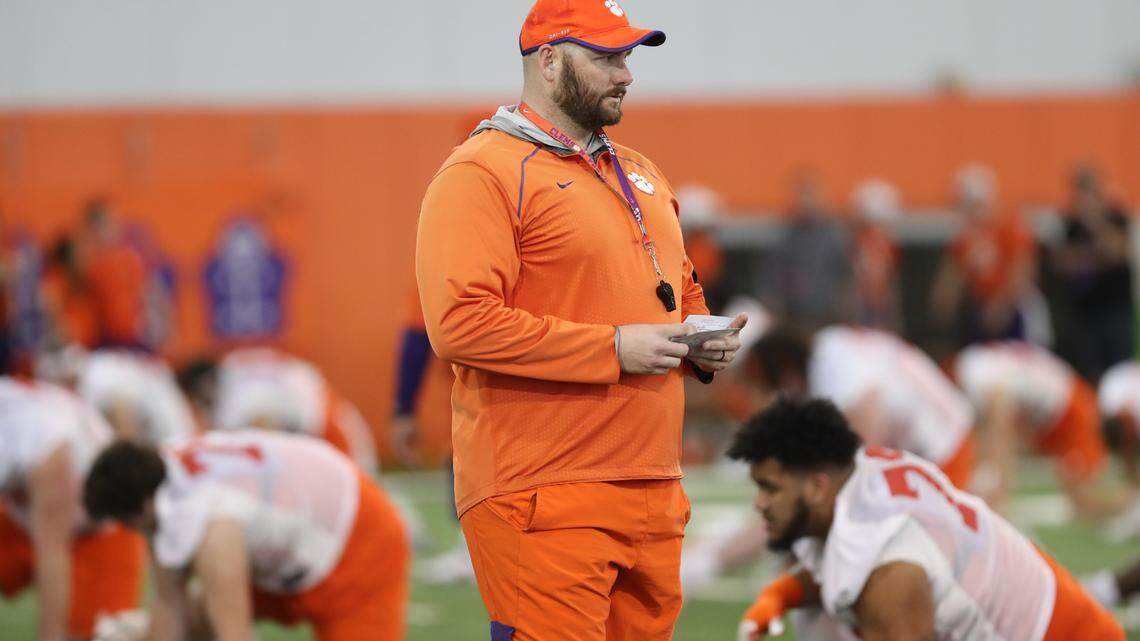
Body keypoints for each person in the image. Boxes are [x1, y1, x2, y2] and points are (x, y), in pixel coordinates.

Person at [415, 1, 746, 638]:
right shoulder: (481, 172)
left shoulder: (641, 172)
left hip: (653, 487)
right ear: (548, 61)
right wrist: (613, 348)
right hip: (543, 489)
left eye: (627, 57)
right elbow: (459, 323)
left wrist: (701, 338)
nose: (626, 74)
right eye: (606, 58)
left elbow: (678, 290)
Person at [732, 396, 1123, 641]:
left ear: (817, 486)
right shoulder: (861, 475)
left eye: (770, 488)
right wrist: (781, 595)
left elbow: (880, 572)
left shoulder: (887, 568)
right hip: (1066, 611)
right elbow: (834, 563)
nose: (760, 504)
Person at [82, 430, 409, 641]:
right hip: (288, 546)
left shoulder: (211, 524)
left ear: (138, 512)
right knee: (199, 614)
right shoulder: (161, 480)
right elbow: (169, 602)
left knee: (220, 607)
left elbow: (235, 636)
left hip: (356, 538)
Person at [0, 377, 145, 641]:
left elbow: (53, 549)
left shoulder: (43, 441)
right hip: (23, 514)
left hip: (97, 532)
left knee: (101, 634)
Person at [746, 325, 976, 489]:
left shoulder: (828, 364)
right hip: (942, 430)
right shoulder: (831, 347)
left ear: (785, 375)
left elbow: (871, 414)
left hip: (943, 447)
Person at [954, 341, 1121, 516]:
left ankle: (1132, 506)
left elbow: (1002, 429)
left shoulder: (976, 376)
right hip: (1054, 406)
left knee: (1082, 502)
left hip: (1071, 410)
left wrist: (998, 487)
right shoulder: (973, 364)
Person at [178, 347, 376, 473]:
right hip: (331, 416)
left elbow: (260, 434)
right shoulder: (235, 369)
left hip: (330, 434)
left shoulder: (234, 399)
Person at [930, 165, 1041, 344]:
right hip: (983, 308)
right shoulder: (965, 238)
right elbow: (953, 277)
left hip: (1014, 309)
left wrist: (1002, 303)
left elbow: (1022, 272)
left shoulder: (1010, 228)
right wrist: (944, 303)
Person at [1053, 165, 1135, 382]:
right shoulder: (1071, 225)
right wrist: (1096, 257)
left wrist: (1095, 224)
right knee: (1088, 372)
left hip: (1116, 311)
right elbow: (1064, 263)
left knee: (1120, 372)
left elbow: (1118, 251)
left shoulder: (1116, 217)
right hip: (1085, 313)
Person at [766, 173, 854, 328]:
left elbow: (846, 277)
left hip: (828, 317)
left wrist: (845, 312)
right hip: (794, 319)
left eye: (811, 196)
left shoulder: (835, 237)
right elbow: (773, 279)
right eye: (803, 196)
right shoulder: (785, 238)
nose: (806, 203)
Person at [849, 179, 901, 330]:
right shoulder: (861, 243)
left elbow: (886, 280)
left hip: (878, 308)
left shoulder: (886, 245)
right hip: (864, 308)